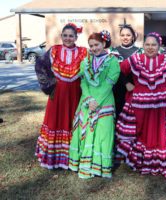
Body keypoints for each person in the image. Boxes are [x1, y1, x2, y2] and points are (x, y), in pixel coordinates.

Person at [116, 32, 166, 181]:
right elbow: (117, 70)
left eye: (153, 45)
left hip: (161, 105)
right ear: (143, 46)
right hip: (139, 104)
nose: (150, 48)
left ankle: (160, 158)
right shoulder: (135, 59)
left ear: (159, 46)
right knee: (141, 132)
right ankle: (142, 160)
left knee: (160, 133)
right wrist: (127, 83)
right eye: (147, 44)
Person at [35, 23, 87, 169]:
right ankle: (53, 158)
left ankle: (73, 156)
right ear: (61, 36)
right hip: (57, 95)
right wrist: (49, 85)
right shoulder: (54, 50)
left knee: (73, 122)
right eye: (65, 35)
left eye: (71, 36)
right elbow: (40, 65)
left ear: (76, 37)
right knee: (55, 121)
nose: (68, 38)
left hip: (76, 94)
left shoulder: (84, 52)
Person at [69, 30, 120, 178]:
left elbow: (109, 84)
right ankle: (85, 165)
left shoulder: (112, 61)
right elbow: (83, 82)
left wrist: (96, 101)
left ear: (104, 43)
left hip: (104, 102)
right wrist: (89, 99)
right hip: (86, 101)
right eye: (91, 46)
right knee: (85, 132)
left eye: (96, 45)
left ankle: (100, 167)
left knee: (102, 134)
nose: (94, 48)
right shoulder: (85, 62)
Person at [111, 24, 139, 118]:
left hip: (136, 88)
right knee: (119, 114)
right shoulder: (113, 51)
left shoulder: (140, 51)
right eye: (122, 35)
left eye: (128, 35)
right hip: (118, 88)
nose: (125, 37)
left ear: (133, 36)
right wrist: (126, 83)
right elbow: (115, 70)